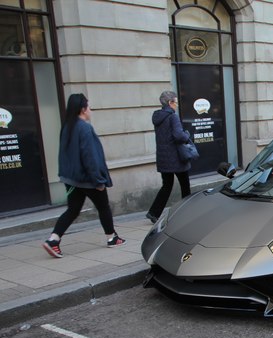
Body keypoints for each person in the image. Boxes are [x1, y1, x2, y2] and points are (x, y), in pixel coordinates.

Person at [42, 94, 126, 258]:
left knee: (72, 210)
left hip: (71, 180)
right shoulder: (84, 128)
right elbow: (90, 157)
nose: (90, 110)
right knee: (103, 207)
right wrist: (98, 181)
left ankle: (53, 239)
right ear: (82, 109)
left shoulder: (67, 126)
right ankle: (112, 238)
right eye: (89, 107)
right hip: (88, 180)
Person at [146, 91, 192, 223]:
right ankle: (188, 210)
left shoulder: (157, 116)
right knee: (185, 185)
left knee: (166, 185)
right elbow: (179, 135)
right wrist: (187, 135)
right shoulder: (173, 117)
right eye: (176, 102)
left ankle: (153, 212)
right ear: (170, 103)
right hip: (176, 158)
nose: (177, 105)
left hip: (163, 157)